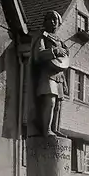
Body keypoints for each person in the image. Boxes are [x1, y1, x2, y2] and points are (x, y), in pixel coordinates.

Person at [26, 10, 69, 138]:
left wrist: (65, 82)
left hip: (59, 76)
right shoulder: (42, 36)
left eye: (55, 19)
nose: (52, 22)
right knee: (50, 102)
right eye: (49, 19)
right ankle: (46, 129)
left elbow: (62, 64)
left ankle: (55, 128)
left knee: (58, 105)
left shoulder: (60, 41)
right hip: (46, 74)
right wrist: (55, 51)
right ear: (45, 22)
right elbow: (38, 54)